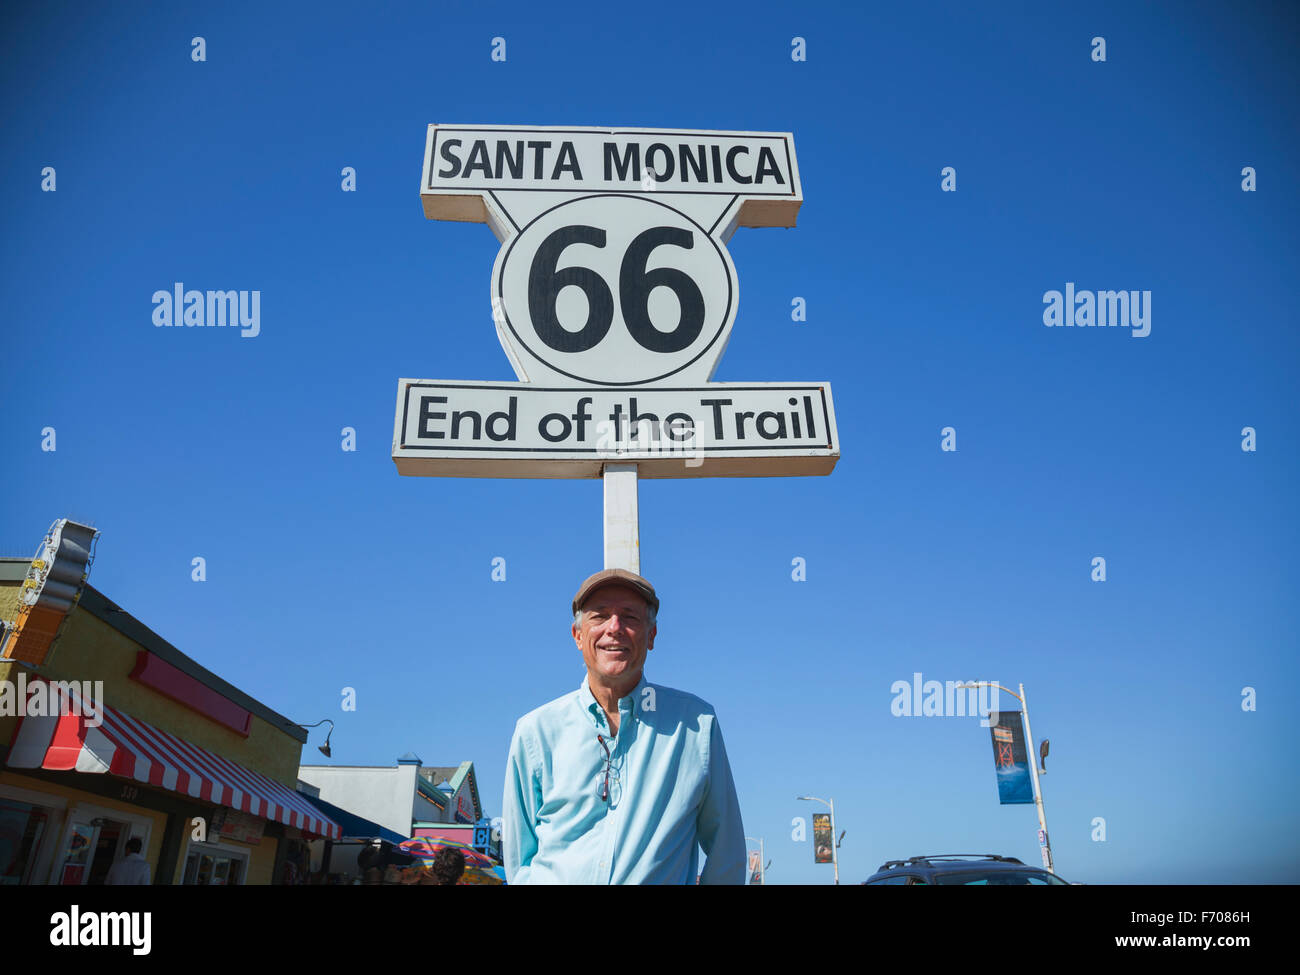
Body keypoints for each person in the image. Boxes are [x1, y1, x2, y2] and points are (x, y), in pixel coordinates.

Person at [502, 568, 745, 884]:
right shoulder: (535, 732)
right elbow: (519, 862)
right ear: (577, 636)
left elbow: (727, 853)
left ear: (651, 636)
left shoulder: (696, 725)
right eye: (599, 616)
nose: (614, 628)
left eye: (630, 617)